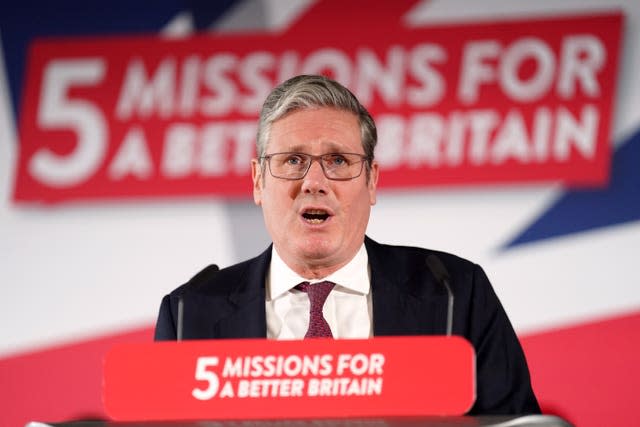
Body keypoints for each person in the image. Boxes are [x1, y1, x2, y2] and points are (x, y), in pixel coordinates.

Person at [154, 74, 541, 415]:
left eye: (338, 161)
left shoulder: (455, 294)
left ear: (371, 181)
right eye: (292, 161)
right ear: (258, 181)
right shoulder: (190, 314)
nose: (314, 182)